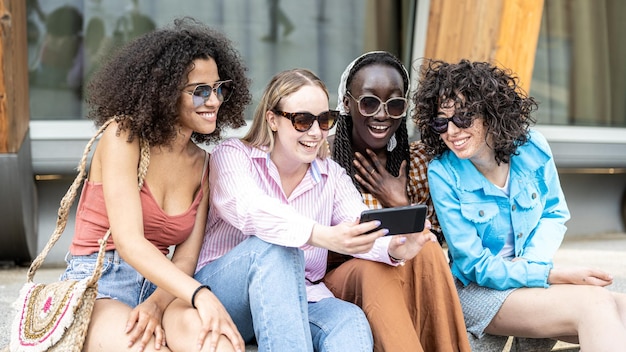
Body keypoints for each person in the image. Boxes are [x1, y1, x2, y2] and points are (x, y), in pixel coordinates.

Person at [166, 68, 436, 351]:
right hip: (225, 294)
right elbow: (247, 208)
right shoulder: (233, 155)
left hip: (300, 297)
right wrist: (318, 235)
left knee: (349, 319)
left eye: (324, 120)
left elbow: (358, 227)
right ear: (272, 119)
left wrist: (396, 247)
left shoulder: (331, 175)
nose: (316, 132)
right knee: (275, 249)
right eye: (303, 120)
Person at [60, 18, 251, 352]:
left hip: (162, 289)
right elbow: (129, 241)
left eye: (220, 88)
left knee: (217, 345)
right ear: (164, 93)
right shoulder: (123, 136)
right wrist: (199, 294)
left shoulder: (204, 163)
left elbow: (185, 260)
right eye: (200, 91)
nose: (215, 101)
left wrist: (157, 304)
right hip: (100, 283)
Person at [414, 59, 626, 351]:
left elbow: (553, 212)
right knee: (596, 305)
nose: (451, 131)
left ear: (491, 112)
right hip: (477, 290)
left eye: (463, 118)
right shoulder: (443, 173)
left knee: (622, 309)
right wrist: (549, 273)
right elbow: (475, 265)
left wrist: (532, 263)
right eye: (441, 121)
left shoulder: (533, 147)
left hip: (528, 273)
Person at [325, 51, 471, 352]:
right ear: (347, 104)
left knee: (427, 247)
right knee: (372, 268)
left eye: (394, 104)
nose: (382, 114)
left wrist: (399, 202)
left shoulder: (415, 161)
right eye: (369, 102)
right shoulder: (321, 157)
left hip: (400, 280)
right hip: (344, 283)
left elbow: (436, 245)